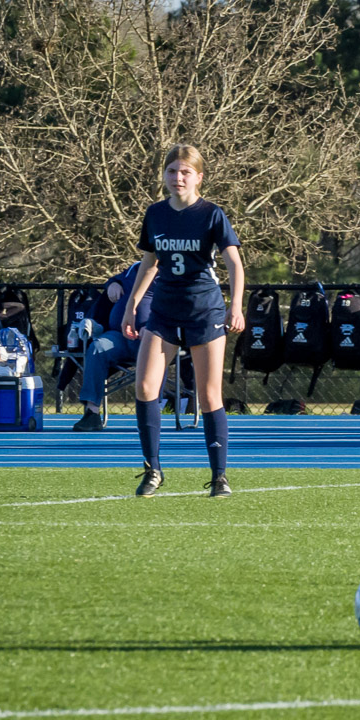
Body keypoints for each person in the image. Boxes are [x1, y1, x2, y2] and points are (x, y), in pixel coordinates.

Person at [122, 145, 246, 498]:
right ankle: (153, 470)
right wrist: (133, 306)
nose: (178, 178)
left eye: (185, 172)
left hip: (203, 310)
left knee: (208, 395)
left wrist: (235, 307)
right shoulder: (156, 214)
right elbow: (149, 263)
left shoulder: (211, 214)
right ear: (164, 175)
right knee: (145, 388)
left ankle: (219, 476)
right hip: (163, 310)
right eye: (172, 171)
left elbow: (235, 264)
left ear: (199, 177)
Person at [71, 262, 153, 431]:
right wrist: (113, 284)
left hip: (152, 337)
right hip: (119, 335)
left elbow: (177, 305)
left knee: (155, 346)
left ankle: (150, 415)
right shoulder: (135, 269)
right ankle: (92, 413)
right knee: (97, 348)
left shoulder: (171, 274)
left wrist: (156, 326)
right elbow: (117, 279)